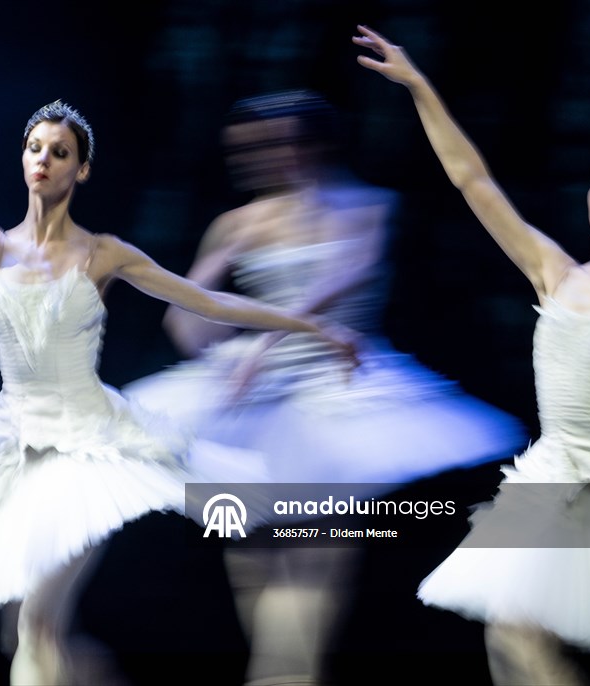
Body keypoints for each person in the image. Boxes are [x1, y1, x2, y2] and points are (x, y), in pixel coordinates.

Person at [0, 23, 360, 685]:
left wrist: (311, 327)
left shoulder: (103, 253)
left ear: (82, 168)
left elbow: (209, 303)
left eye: (60, 151)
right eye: (35, 148)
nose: (43, 159)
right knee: (23, 627)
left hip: (88, 449)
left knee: (37, 625)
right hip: (10, 444)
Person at [121, 89, 529, 685]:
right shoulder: (236, 223)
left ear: (308, 144)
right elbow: (185, 316)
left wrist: (265, 340)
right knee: (252, 560)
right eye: (247, 148)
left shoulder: (366, 207)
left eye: (270, 144)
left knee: (313, 557)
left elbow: (341, 283)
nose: (258, 158)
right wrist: (215, 318)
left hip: (338, 393)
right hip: (257, 399)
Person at [355, 25, 590, 685]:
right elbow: (472, 180)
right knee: (506, 633)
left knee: (518, 634)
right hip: (552, 476)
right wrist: (418, 86)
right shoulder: (555, 272)